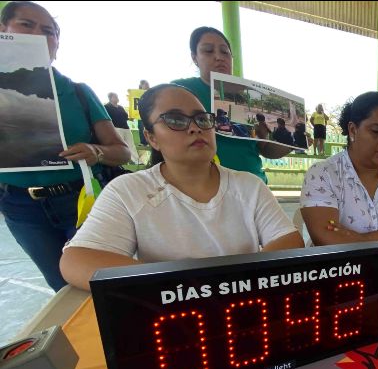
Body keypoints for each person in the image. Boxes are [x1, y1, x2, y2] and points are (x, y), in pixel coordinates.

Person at [60, 84, 304, 291]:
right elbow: (77, 259)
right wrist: (181, 288)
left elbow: (289, 241)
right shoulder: (128, 191)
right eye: (175, 120)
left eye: (202, 119)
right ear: (152, 137)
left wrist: (231, 287)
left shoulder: (249, 186)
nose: (195, 127)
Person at [0, 1, 131, 292]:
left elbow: (122, 152)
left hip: (80, 202)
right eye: (26, 25)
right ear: (3, 30)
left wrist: (95, 152)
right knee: (63, 289)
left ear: (57, 43)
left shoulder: (78, 92)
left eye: (49, 31)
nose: (38, 34)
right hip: (19, 207)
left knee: (99, 284)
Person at [300, 91, 378, 275]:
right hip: (340, 276)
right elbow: (325, 235)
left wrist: (360, 241)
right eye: (376, 131)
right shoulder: (323, 174)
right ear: (352, 130)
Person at [171, 26, 294, 184]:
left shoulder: (251, 96)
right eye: (208, 51)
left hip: (253, 187)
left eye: (225, 52)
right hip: (202, 188)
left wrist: (292, 142)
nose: (219, 57)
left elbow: (266, 149)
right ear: (194, 57)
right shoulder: (180, 91)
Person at [105, 92, 140, 163]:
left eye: (117, 96)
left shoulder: (120, 107)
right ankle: (121, 161)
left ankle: (136, 161)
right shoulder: (106, 107)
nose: (117, 98)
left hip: (126, 128)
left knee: (131, 144)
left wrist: (131, 118)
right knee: (120, 145)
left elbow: (126, 116)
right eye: (115, 97)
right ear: (110, 98)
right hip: (116, 128)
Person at [137, 80, 150, 146]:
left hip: (149, 114)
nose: (147, 85)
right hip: (139, 114)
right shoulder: (136, 93)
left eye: (148, 84)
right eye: (146, 84)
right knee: (141, 128)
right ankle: (143, 142)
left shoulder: (151, 92)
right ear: (141, 86)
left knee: (149, 128)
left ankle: (149, 142)